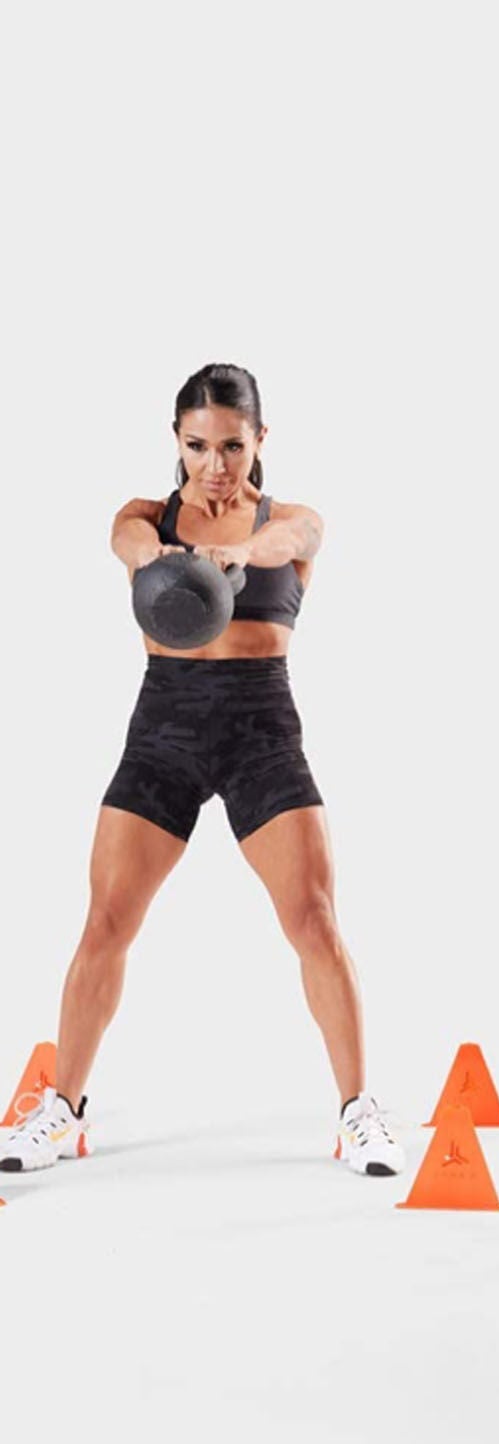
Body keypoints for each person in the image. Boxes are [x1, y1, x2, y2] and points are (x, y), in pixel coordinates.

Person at [0, 364, 403, 1178]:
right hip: (165, 728)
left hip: (260, 726)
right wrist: (167, 551)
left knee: (314, 919)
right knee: (106, 921)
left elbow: (294, 541)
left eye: (231, 445)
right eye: (197, 446)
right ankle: (62, 1111)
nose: (215, 464)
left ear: (260, 441)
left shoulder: (289, 521)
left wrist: (238, 555)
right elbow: (129, 543)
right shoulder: (146, 517)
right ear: (176, 443)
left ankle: (359, 1113)